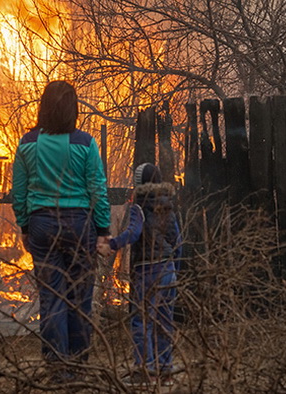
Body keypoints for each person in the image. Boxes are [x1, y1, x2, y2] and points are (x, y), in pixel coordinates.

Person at [11, 80, 111, 381]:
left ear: (43, 107)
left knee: (51, 297)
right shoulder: (85, 143)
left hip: (42, 224)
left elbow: (19, 190)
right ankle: (79, 365)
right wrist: (103, 229)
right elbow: (97, 189)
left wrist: (25, 226)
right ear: (73, 109)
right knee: (80, 297)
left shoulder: (27, 143)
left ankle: (57, 369)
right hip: (79, 225)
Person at [97, 163, 181, 387]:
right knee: (164, 322)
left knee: (141, 321)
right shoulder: (167, 206)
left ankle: (146, 370)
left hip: (147, 271)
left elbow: (133, 234)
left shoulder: (139, 207)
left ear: (139, 184)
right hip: (168, 270)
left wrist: (111, 243)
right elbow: (177, 241)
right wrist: (176, 269)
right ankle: (166, 372)